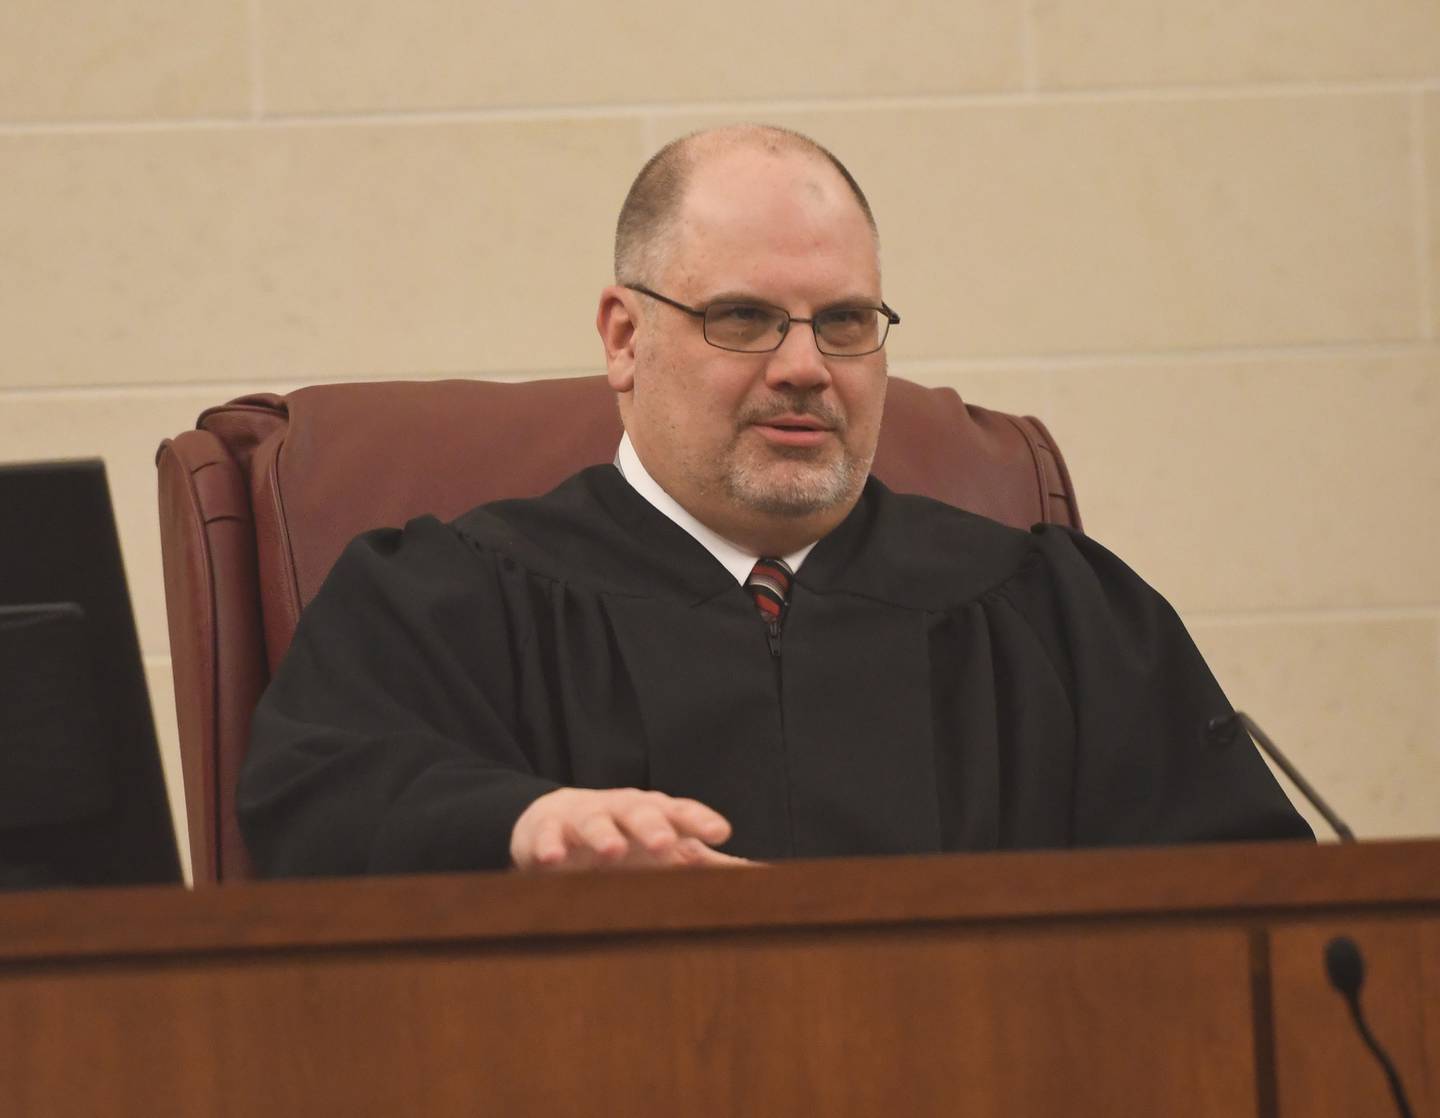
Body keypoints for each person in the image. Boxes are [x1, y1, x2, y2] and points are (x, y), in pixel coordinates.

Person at [238, 125, 1311, 876]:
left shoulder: (1057, 615)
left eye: (845, 322)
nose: (806, 365)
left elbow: (1248, 904)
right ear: (623, 336)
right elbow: (316, 801)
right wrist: (527, 824)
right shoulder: (446, 602)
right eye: (744, 318)